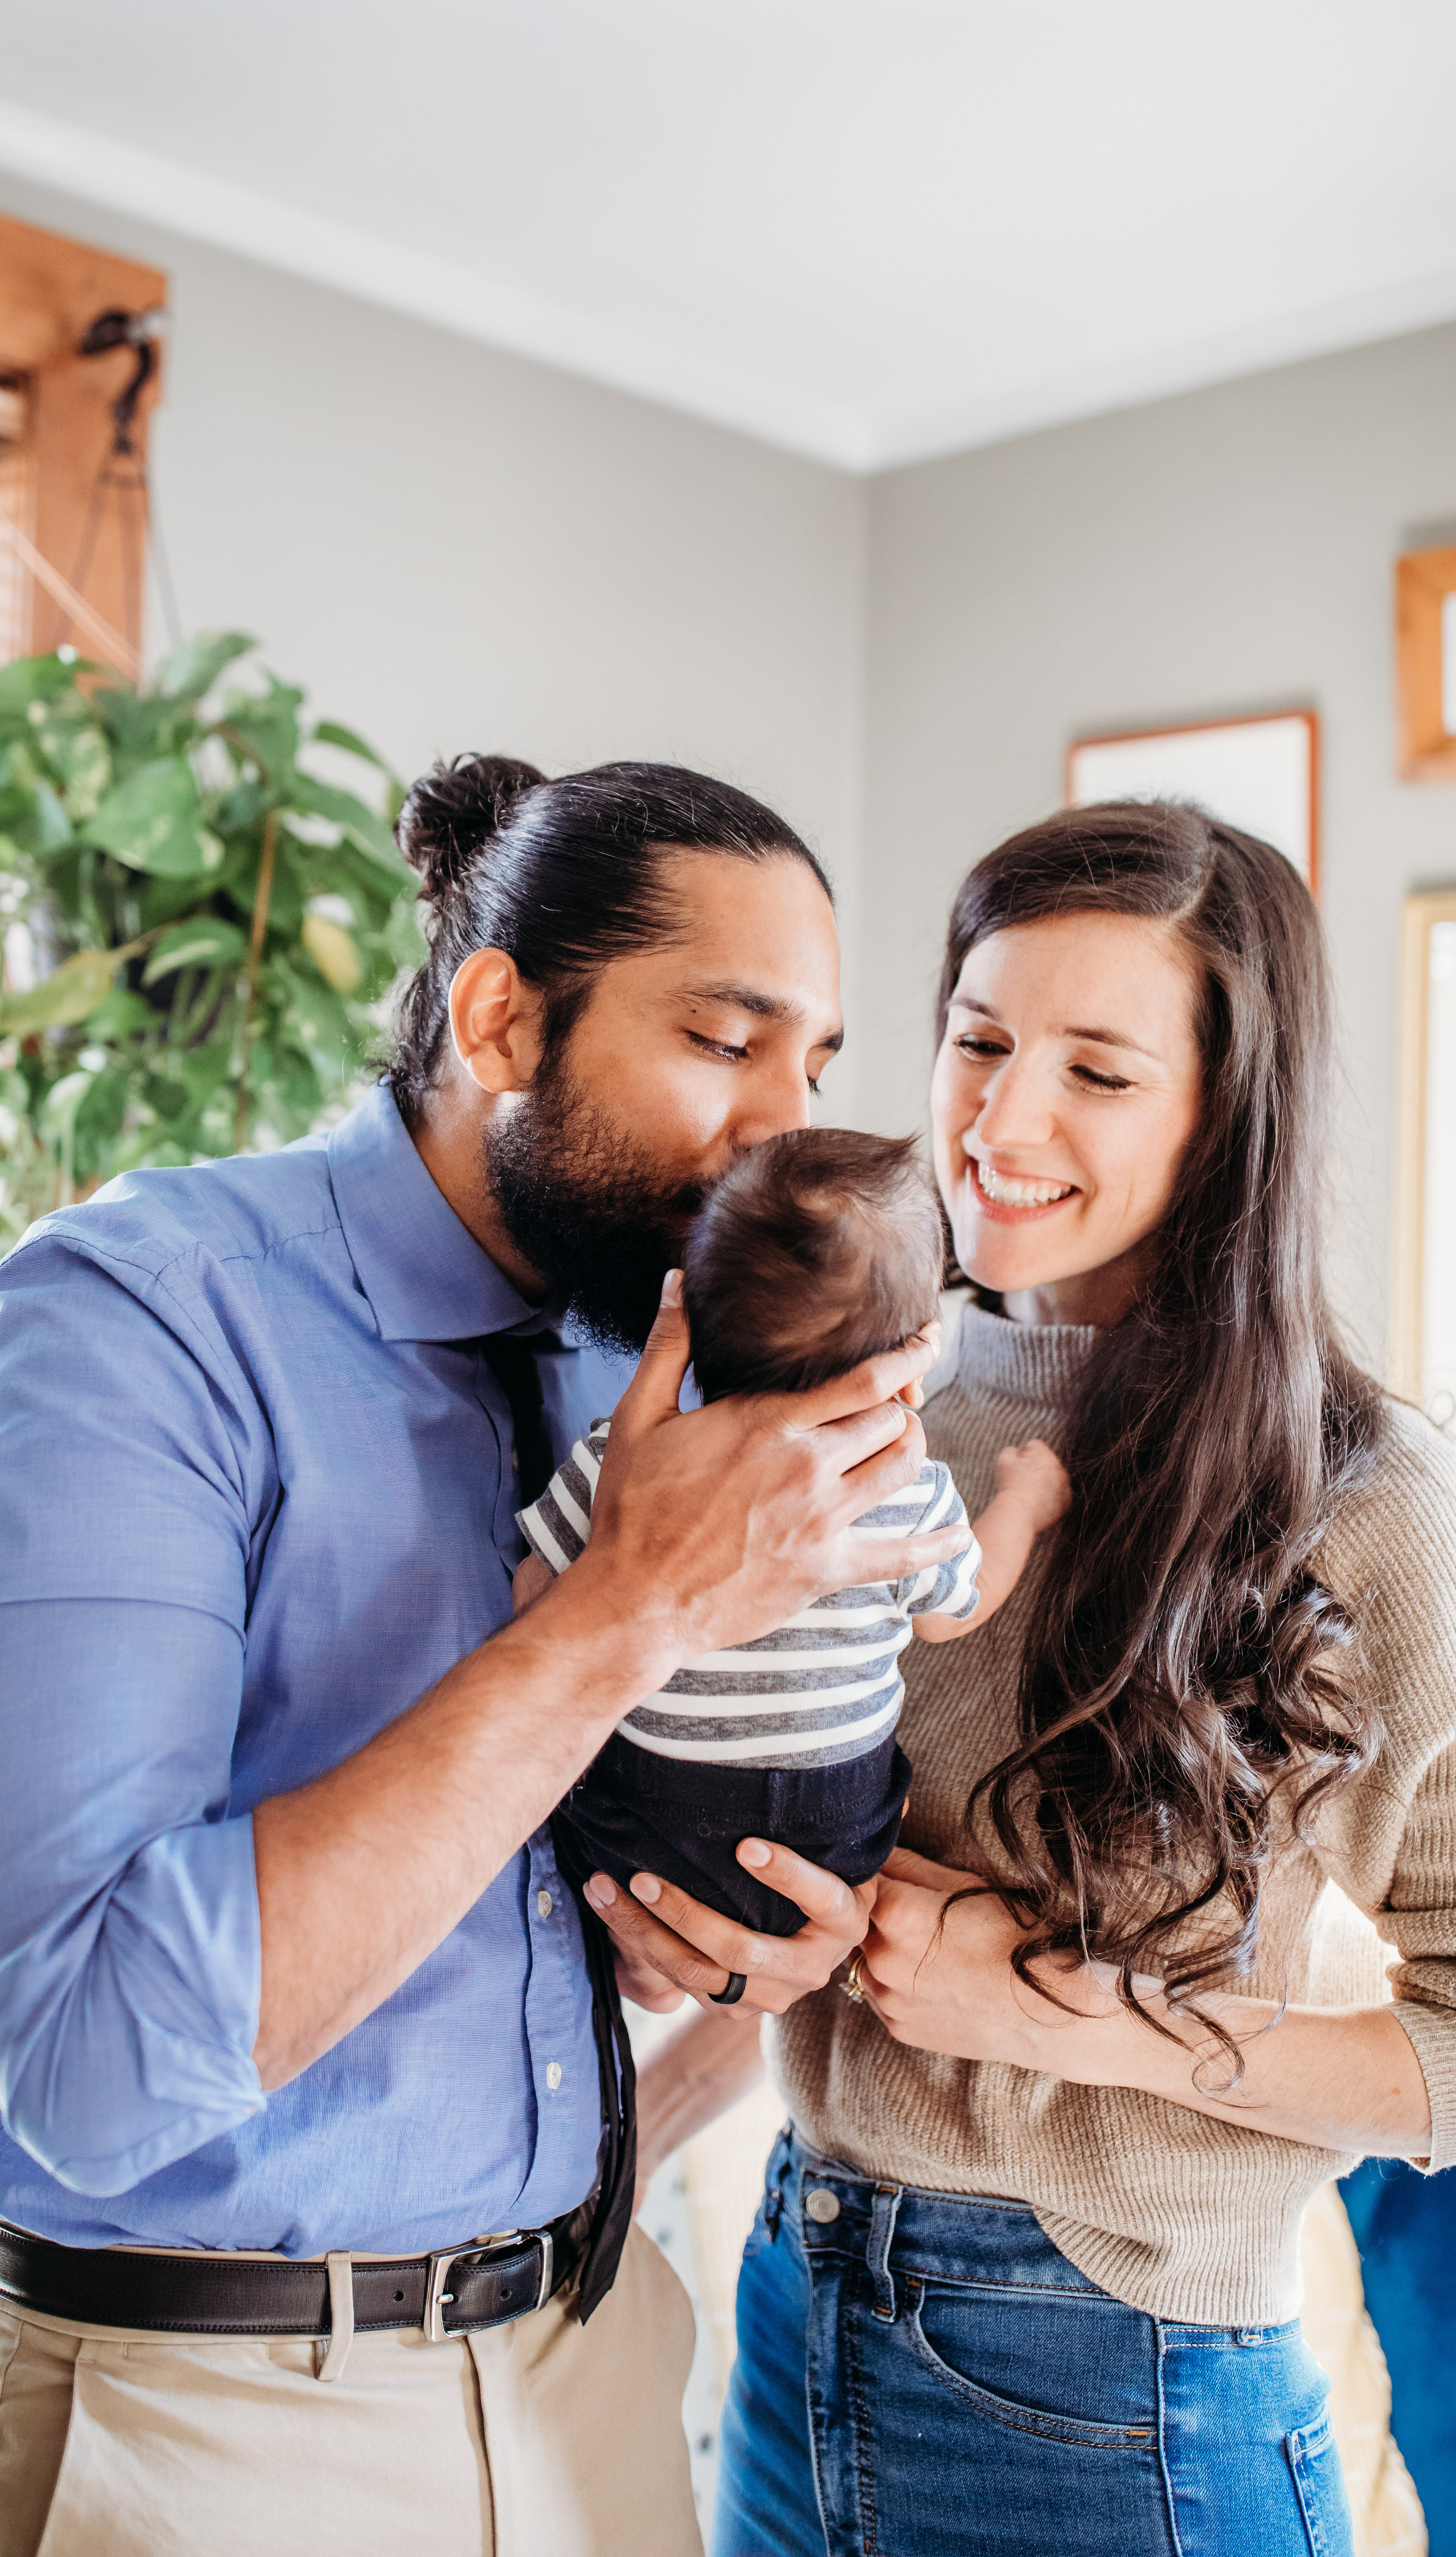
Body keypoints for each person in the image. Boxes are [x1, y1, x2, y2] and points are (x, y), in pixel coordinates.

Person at [0, 752, 960, 2557]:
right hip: (208, 2436)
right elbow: (83, 2064)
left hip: (595, 2371)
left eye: (818, 1065)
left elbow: (527, 1948)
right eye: (726, 1040)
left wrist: (743, 1965)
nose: (784, 1129)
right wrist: (621, 1610)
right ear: (496, 1019)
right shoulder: (134, 1324)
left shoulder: (652, 1357)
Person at [591, 802, 1456, 2557]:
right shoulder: (845, 1394)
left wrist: (1071, 2017)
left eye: (1100, 1071)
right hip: (797, 2305)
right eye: (977, 1040)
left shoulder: (1363, 1506)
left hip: (1120, 2395)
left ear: (1226, 1117)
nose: (1001, 1119)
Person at [512, 1127, 1070, 1936]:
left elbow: (533, 1596)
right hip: (836, 1838)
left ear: (691, 1327)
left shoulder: (629, 1462)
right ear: (906, 1371)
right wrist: (1023, 1500)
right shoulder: (901, 1488)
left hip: (651, 1828)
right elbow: (957, 1609)